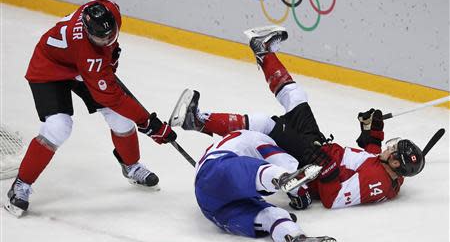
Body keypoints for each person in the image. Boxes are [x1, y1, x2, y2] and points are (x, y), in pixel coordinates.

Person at [170, 25, 425, 210]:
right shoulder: (392, 174)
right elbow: (369, 160)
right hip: (321, 149)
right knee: (295, 98)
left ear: (394, 164)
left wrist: (326, 167)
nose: (389, 147)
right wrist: (373, 133)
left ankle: (198, 120)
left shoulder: (376, 182)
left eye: (391, 149)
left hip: (312, 166)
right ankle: (263, 51)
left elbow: (332, 199)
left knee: (265, 124)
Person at [4, 0, 177, 217]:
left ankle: (131, 166)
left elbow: (110, 86)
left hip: (80, 64)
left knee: (120, 118)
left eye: (109, 35)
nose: (106, 40)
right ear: (87, 31)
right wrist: (149, 124)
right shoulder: (88, 53)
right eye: (100, 37)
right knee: (59, 126)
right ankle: (21, 185)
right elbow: (113, 97)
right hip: (49, 68)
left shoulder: (108, 8)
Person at [193, 128, 339, 242]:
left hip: (212, 207)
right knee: (252, 172)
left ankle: (296, 239)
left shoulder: (232, 140)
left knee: (270, 215)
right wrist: (300, 194)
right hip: (215, 171)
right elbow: (286, 164)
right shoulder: (258, 137)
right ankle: (280, 178)